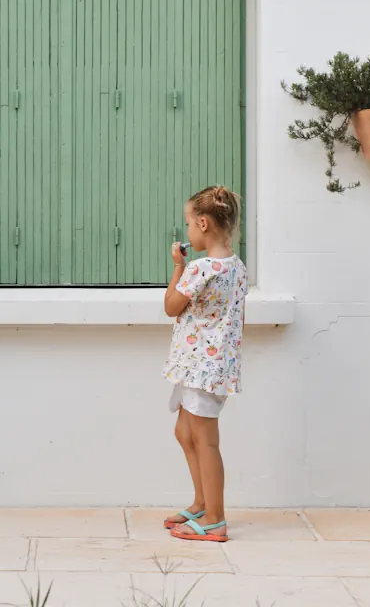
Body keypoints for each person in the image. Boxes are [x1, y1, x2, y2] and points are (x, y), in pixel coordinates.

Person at [162, 185, 247, 542]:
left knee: (205, 441)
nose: (188, 232)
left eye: (189, 223)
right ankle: (202, 501)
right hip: (204, 364)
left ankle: (215, 517)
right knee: (185, 432)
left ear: (203, 223)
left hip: (203, 367)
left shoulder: (201, 269)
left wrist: (178, 267)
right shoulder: (236, 267)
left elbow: (171, 306)